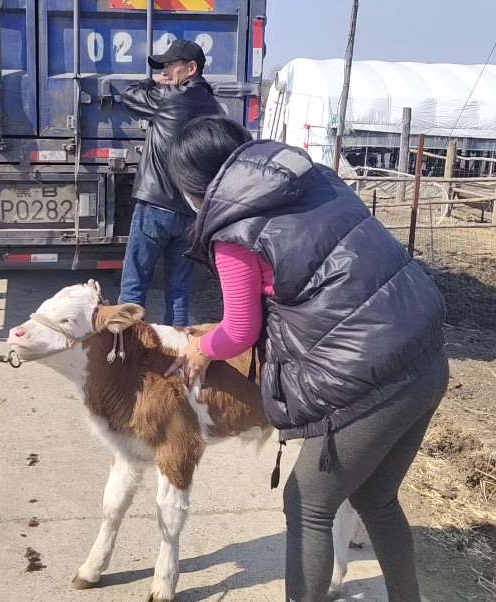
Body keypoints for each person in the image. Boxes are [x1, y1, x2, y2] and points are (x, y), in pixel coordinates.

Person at [166, 116, 448, 602]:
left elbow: (238, 330)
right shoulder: (315, 178)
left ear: (194, 189)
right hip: (425, 355)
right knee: (376, 498)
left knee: (307, 506)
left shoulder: (235, 233)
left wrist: (199, 347)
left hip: (371, 377)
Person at [118, 39, 224, 327]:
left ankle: (128, 352)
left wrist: (151, 82)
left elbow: (128, 95)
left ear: (191, 68)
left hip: (154, 206)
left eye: (169, 66)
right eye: (162, 67)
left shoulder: (169, 98)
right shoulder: (217, 110)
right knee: (179, 293)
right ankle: (176, 357)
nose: (164, 72)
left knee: (134, 285)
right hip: (191, 214)